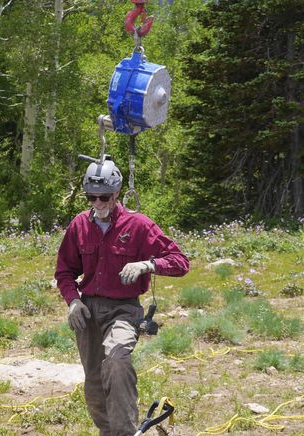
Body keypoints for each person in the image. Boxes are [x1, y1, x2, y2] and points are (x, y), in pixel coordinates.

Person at [54, 156, 189, 436]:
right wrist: (73, 301)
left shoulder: (138, 225)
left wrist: (148, 265)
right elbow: (64, 272)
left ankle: (124, 433)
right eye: (91, 197)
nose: (98, 203)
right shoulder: (79, 225)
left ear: (116, 193)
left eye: (104, 197)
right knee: (94, 383)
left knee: (116, 362)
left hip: (124, 310)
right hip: (89, 312)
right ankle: (109, 432)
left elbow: (180, 261)